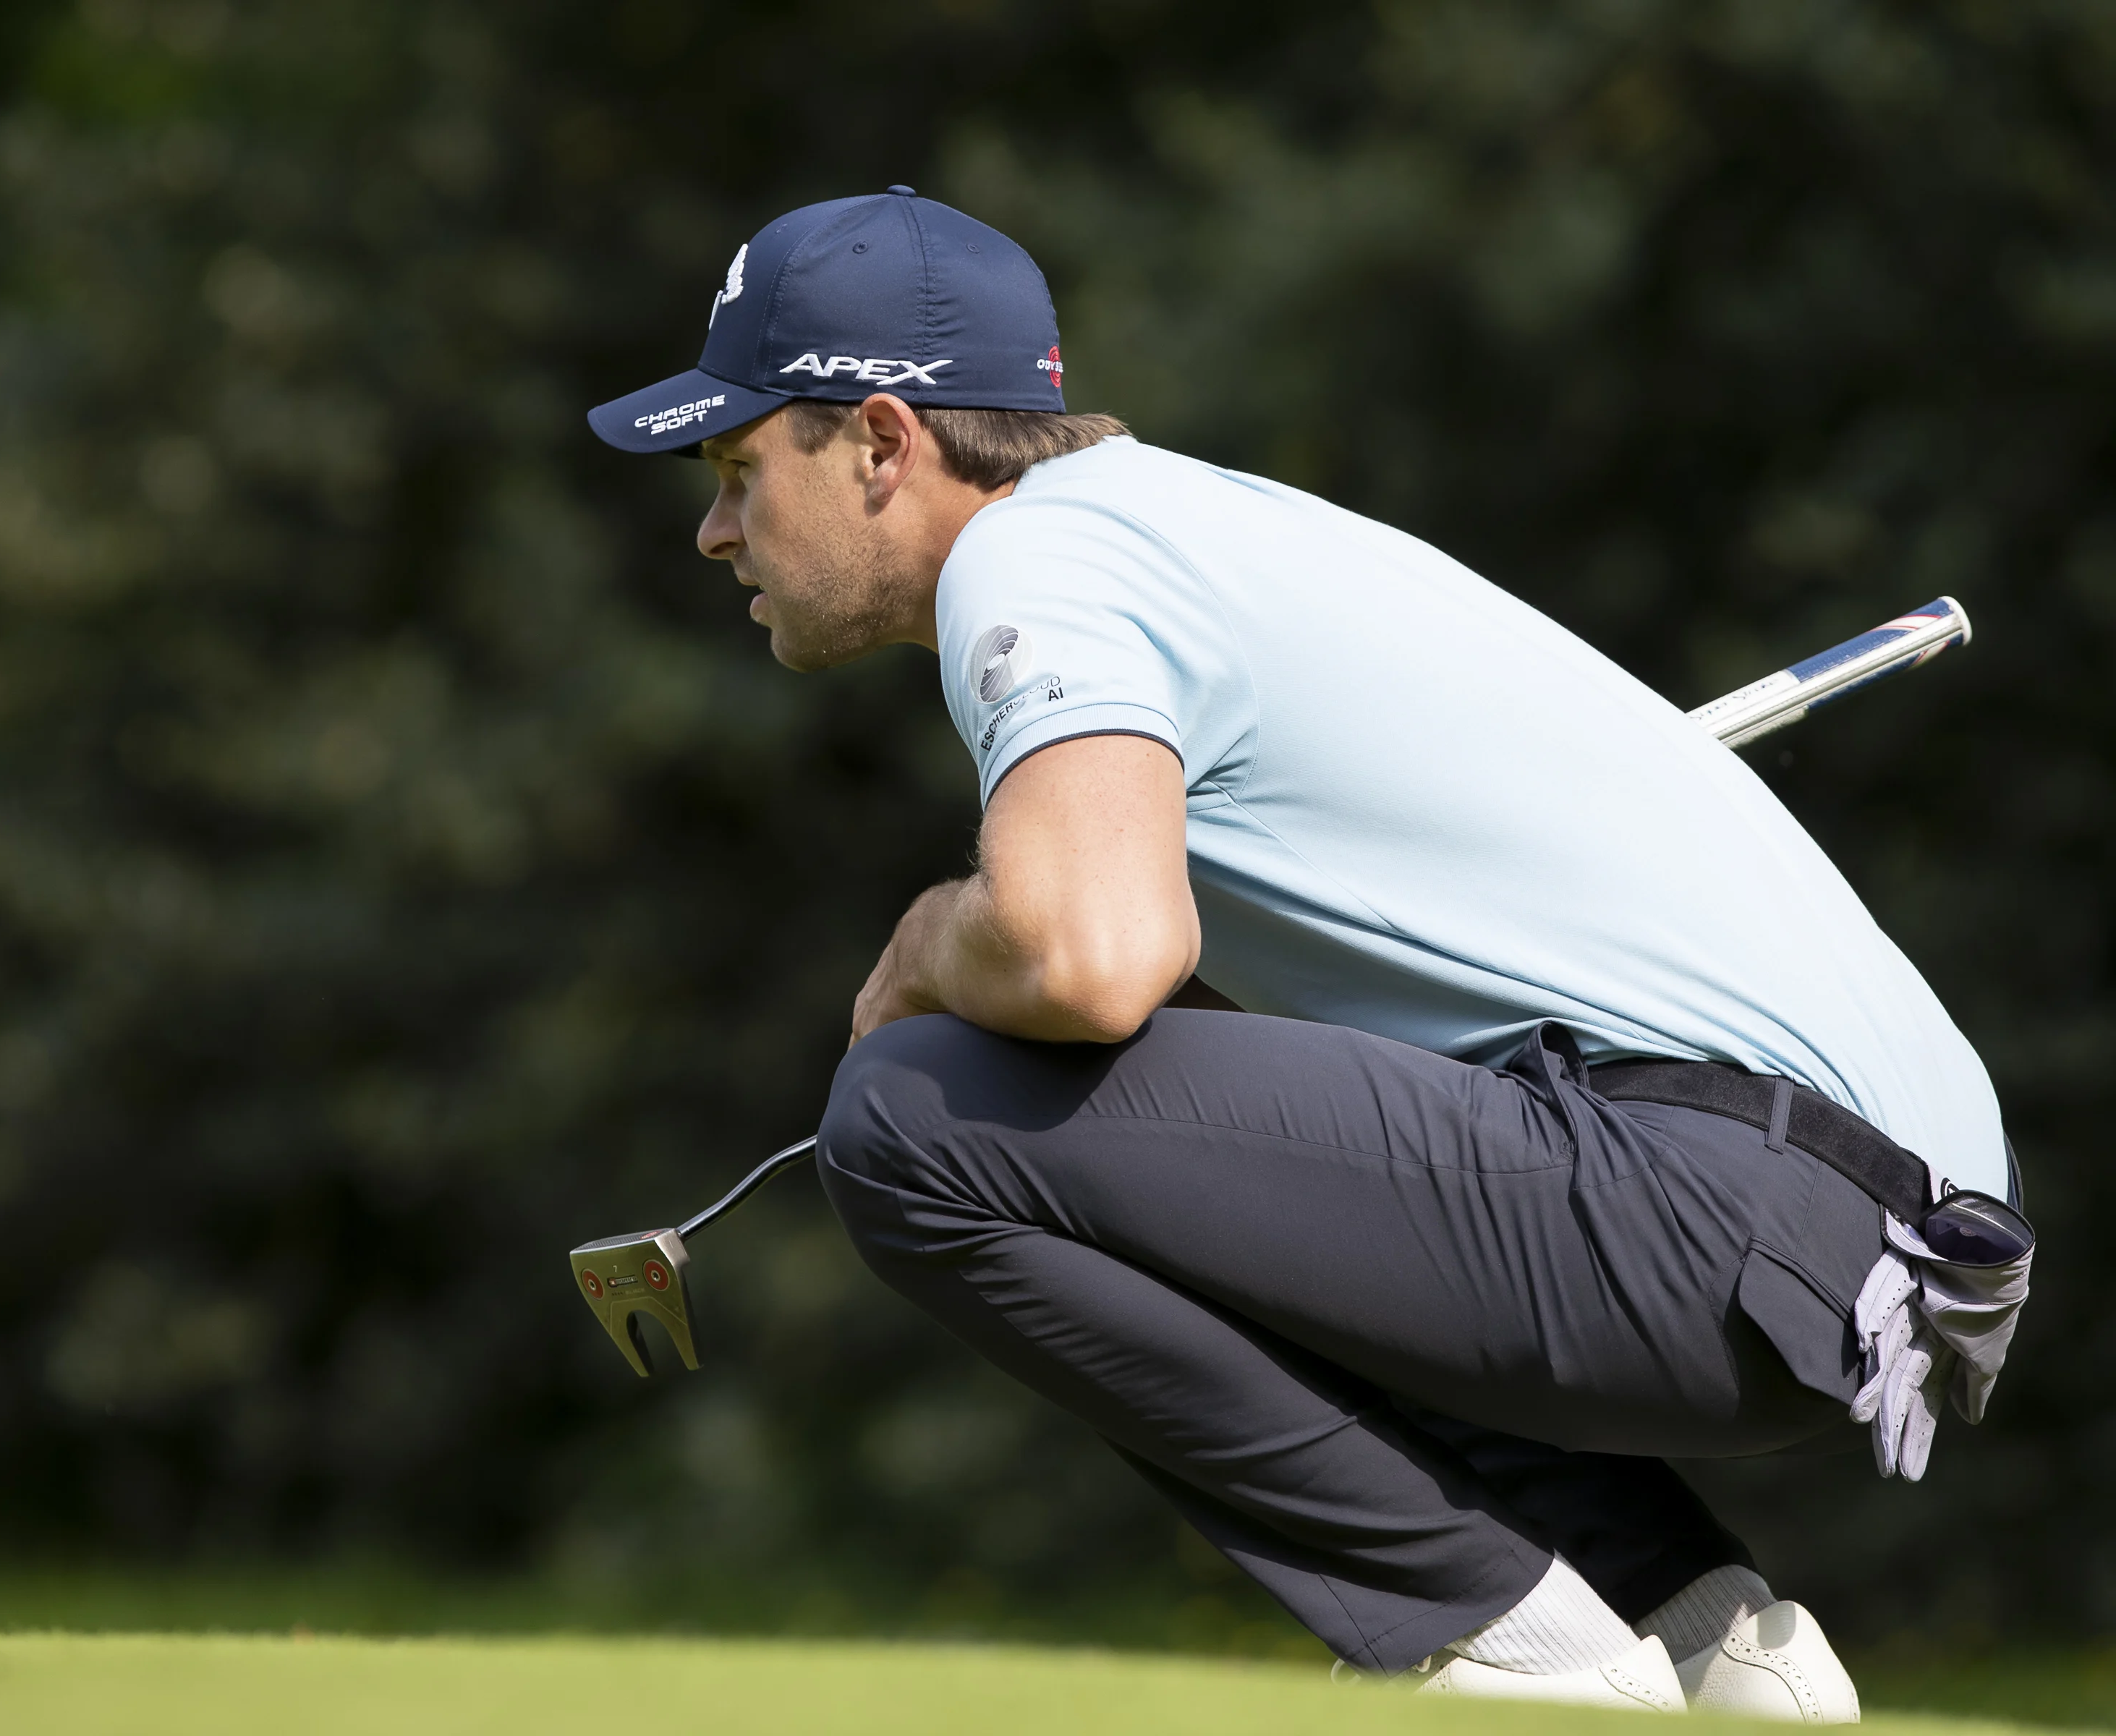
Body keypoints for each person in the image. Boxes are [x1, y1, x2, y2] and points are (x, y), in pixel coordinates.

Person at [587, 188, 2031, 1721]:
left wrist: (935, 937)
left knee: (920, 1117)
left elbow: (1089, 960)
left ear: (884, 442)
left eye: (743, 465)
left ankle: (1514, 1651)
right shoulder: (1213, 522)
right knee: (1159, 1169)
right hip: (1900, 1268)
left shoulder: (1038, 561)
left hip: (1735, 1211)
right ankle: (1694, 1631)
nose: (715, 526)